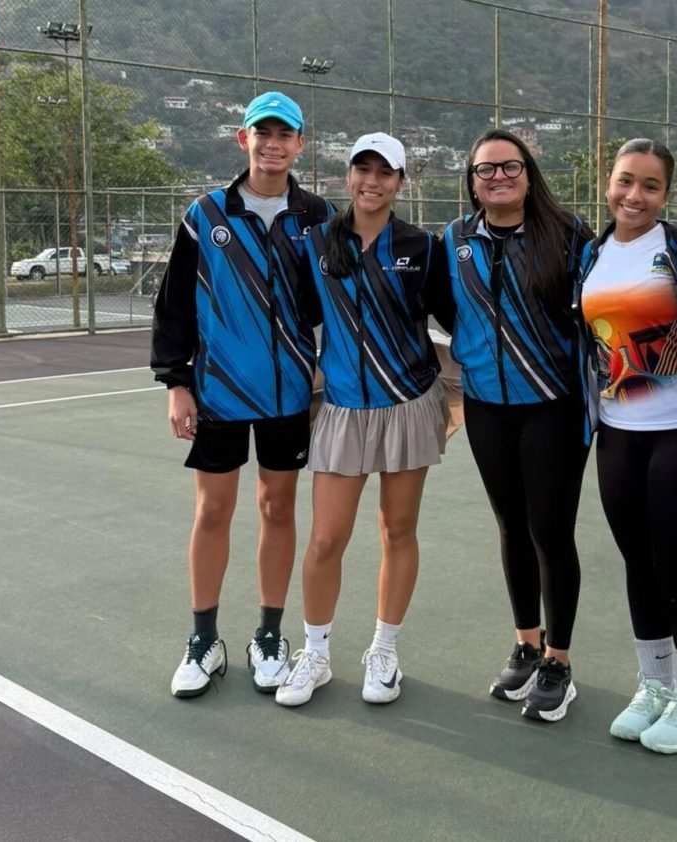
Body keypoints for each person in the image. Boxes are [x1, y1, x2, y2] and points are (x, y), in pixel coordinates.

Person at [152, 91, 334, 699]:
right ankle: (204, 639)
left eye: (286, 134)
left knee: (277, 510)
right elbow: (174, 304)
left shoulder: (318, 218)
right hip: (219, 393)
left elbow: (330, 302)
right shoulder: (206, 215)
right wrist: (177, 383)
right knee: (212, 512)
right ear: (243, 139)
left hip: (289, 395)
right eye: (264, 132)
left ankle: (269, 634)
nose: (274, 143)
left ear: (300, 145)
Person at [273, 132, 454, 707]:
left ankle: (384, 652)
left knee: (397, 532)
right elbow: (300, 320)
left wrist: (455, 395)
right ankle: (317, 654)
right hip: (344, 410)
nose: (371, 182)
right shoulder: (318, 242)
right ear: (346, 177)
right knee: (326, 539)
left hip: (407, 405)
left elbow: (456, 321)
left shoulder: (421, 247)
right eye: (362, 170)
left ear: (401, 183)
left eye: (385, 172)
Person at [576, 139, 677, 752]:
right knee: (638, 564)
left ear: (666, 194)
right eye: (624, 181)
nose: (633, 196)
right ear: (608, 182)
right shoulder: (590, 253)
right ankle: (655, 686)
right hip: (616, 437)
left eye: (649, 186)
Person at [444, 128, 593, 722]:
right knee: (511, 525)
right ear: (472, 181)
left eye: (510, 167)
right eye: (486, 170)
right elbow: (436, 303)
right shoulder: (453, 240)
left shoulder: (569, 234)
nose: (498, 178)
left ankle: (558, 660)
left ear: (529, 174)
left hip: (553, 404)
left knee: (550, 531)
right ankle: (526, 643)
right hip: (486, 406)